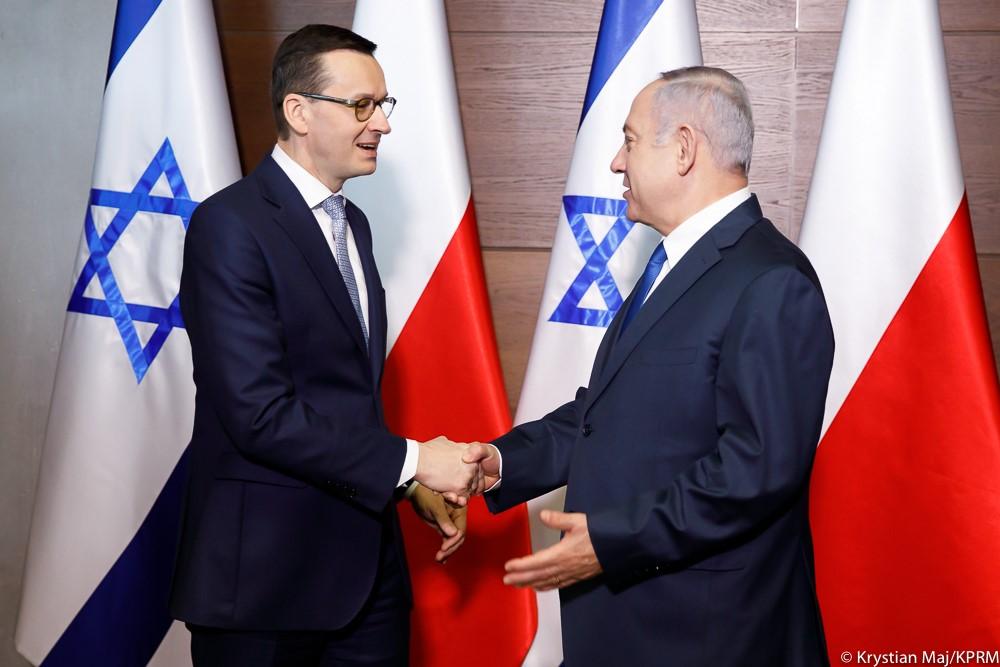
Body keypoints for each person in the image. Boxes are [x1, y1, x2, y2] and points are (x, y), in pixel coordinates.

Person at [467, 66, 835, 665]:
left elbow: (756, 471)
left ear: (684, 149)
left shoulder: (772, 280)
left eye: (631, 141)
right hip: (631, 627)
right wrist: (501, 462)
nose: (617, 162)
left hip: (705, 638)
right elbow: (603, 414)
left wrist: (610, 542)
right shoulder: (674, 262)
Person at [169, 24, 479, 667]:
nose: (382, 124)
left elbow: (339, 397)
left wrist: (402, 485)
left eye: (382, 105)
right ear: (299, 111)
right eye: (362, 105)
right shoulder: (229, 226)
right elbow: (259, 413)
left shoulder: (353, 223)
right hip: (264, 588)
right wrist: (414, 461)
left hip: (367, 576)